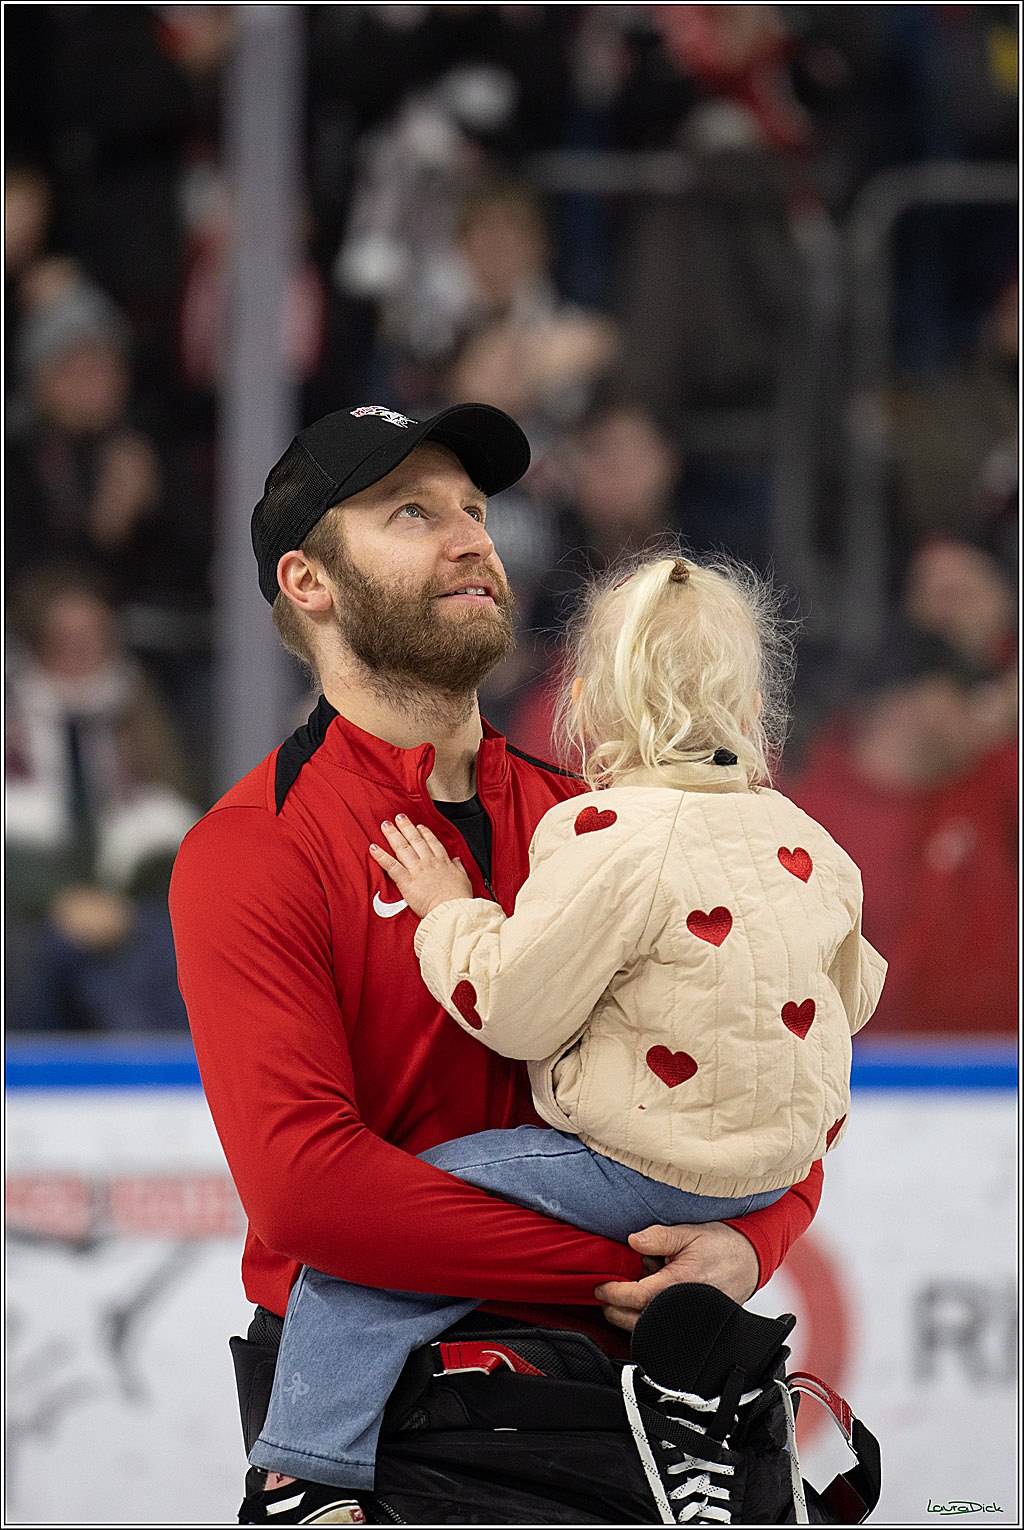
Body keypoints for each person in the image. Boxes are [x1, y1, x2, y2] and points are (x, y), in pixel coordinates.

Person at [168, 401, 827, 1526]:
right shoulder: (255, 848)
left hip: (629, 1413)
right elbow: (307, 1193)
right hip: (391, 1438)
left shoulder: (608, 822)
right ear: (308, 584)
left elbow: (775, 1065)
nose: (473, 537)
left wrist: (744, 1240)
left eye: (475, 509)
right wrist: (635, 1272)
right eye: (412, 513)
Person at [249, 551, 886, 1501]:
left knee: (378, 1238)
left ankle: (302, 1473)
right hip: (762, 1181)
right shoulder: (815, 848)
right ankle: (688, 1401)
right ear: (753, 708)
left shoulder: (605, 836)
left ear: (591, 701)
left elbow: (509, 1010)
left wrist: (450, 910)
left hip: (632, 1171)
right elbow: (855, 998)